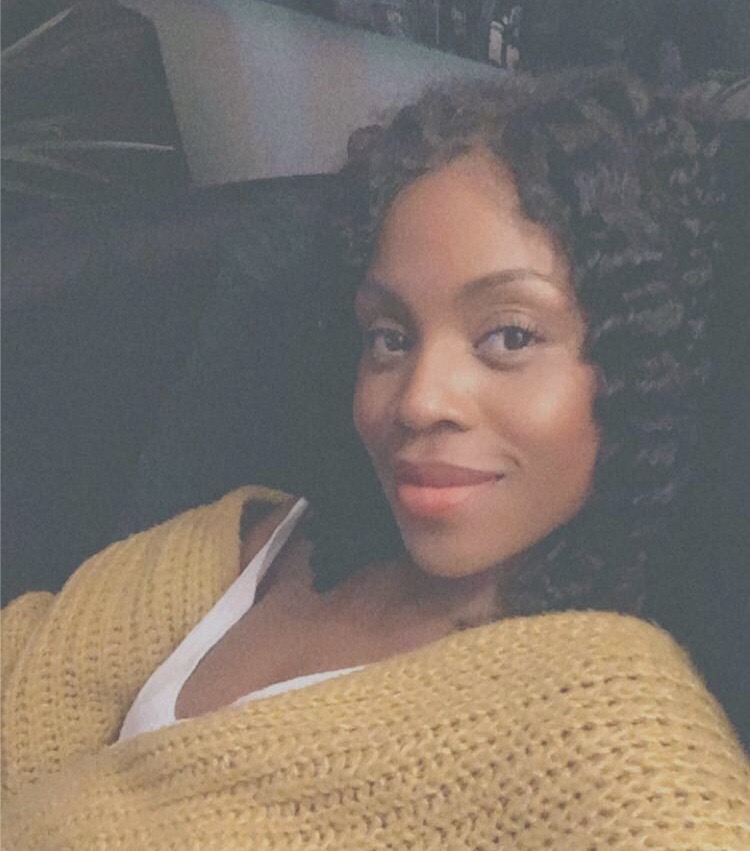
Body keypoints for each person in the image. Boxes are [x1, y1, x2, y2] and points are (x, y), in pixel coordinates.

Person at [2, 67, 748, 848]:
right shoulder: (251, 542)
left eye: (510, 336)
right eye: (391, 337)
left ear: (640, 366)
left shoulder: (609, 729)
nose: (420, 400)